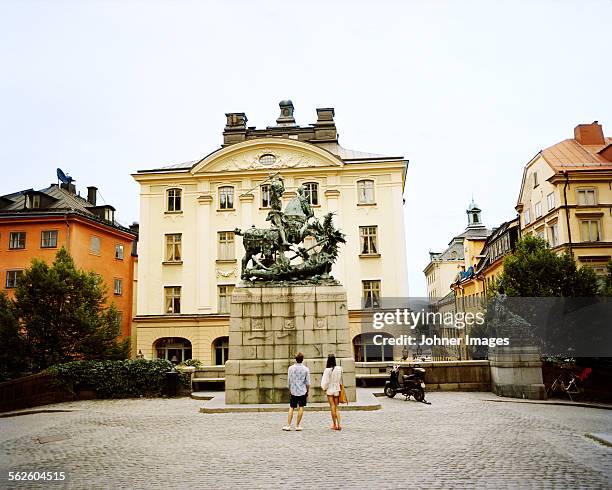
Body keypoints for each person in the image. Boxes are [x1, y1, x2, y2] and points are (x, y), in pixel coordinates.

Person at [283, 352, 310, 431]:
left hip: (294, 390)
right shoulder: (306, 369)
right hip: (302, 390)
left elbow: (289, 380)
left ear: (296, 359)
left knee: (291, 407)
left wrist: (290, 389)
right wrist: (307, 391)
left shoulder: (291, 368)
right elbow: (308, 382)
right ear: (302, 359)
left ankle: (288, 425)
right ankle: (297, 425)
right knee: (301, 407)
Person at [321, 354, 343, 430]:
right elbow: (340, 380)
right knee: (336, 407)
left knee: (332, 406)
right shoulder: (339, 369)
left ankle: (334, 424)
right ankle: (339, 424)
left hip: (330, 389)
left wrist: (324, 388)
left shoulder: (327, 370)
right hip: (337, 388)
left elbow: (325, 382)